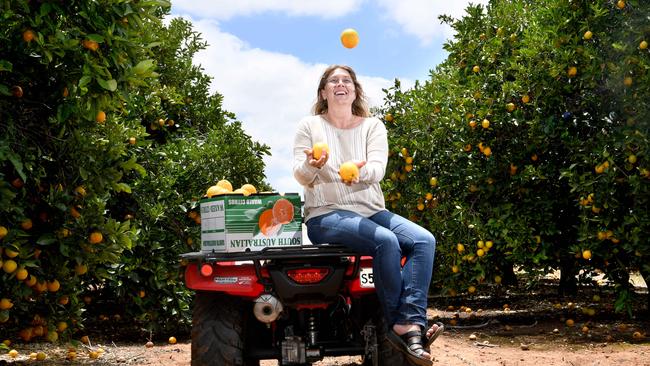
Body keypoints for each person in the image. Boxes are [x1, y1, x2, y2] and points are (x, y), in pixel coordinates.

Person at [292, 65, 443, 366]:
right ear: (323, 92)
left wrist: (359, 174)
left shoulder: (372, 126)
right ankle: (403, 327)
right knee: (386, 242)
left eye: (346, 80)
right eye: (333, 81)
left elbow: (377, 168)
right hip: (326, 215)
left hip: (372, 211)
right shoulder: (309, 126)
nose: (340, 84)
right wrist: (314, 166)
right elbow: (301, 174)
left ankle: (410, 321)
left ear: (355, 91)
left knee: (424, 241)